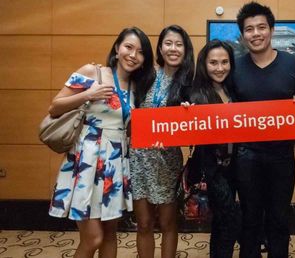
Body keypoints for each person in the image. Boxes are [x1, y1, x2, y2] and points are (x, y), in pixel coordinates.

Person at [49, 27, 154, 258]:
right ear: (117, 48)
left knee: (109, 234)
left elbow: (130, 128)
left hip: (115, 165)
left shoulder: (135, 88)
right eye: (128, 47)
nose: (133, 55)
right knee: (93, 237)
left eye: (140, 51)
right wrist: (88, 95)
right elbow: (55, 106)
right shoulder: (93, 72)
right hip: (87, 162)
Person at [232, 1, 295, 258]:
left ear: (272, 29)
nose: (256, 33)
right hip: (246, 157)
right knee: (250, 218)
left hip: (281, 156)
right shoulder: (234, 68)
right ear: (243, 35)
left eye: (261, 27)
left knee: (279, 219)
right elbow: (223, 110)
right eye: (249, 29)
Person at [129, 25, 194, 258]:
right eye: (168, 43)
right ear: (159, 47)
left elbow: (192, 130)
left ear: (185, 50)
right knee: (144, 223)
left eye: (179, 44)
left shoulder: (189, 85)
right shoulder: (144, 75)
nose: (173, 49)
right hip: (139, 159)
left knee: (168, 223)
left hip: (167, 160)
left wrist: (189, 112)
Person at [185, 40, 240, 258]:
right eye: (213, 62)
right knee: (230, 219)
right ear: (204, 65)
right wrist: (186, 113)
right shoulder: (196, 95)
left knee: (221, 222)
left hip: (238, 166)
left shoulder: (235, 90)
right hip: (214, 171)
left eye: (225, 62)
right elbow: (185, 129)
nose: (220, 68)